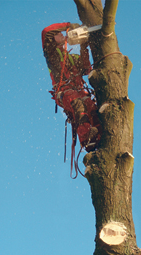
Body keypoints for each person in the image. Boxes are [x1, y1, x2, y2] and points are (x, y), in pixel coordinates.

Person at [42, 23, 100, 157]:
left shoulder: (72, 58)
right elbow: (46, 31)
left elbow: (86, 68)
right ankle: (86, 138)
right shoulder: (50, 54)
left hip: (79, 91)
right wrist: (68, 25)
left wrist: (84, 46)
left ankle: (99, 135)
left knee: (92, 108)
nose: (62, 35)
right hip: (64, 92)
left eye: (62, 33)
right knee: (78, 103)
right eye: (59, 34)